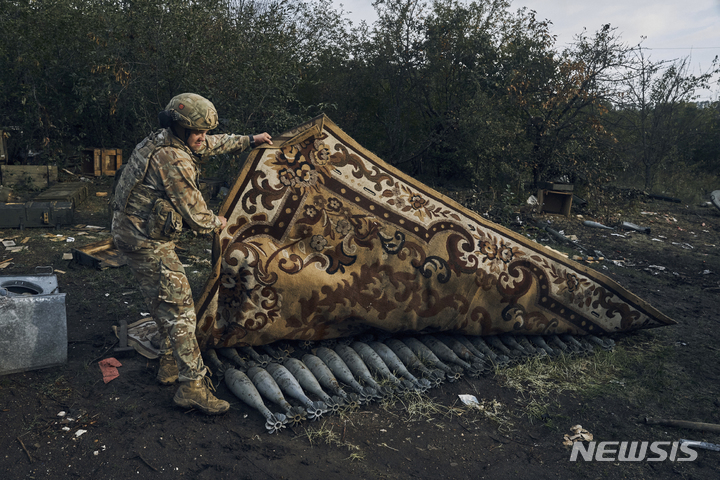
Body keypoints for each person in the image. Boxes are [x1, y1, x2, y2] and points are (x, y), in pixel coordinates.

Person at [111, 93, 272, 415]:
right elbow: (197, 218)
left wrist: (250, 140)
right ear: (179, 128)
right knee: (182, 310)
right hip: (145, 241)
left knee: (163, 300)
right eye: (197, 131)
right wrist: (218, 221)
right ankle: (193, 386)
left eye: (205, 131)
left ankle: (170, 364)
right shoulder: (173, 160)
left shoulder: (166, 139)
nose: (203, 138)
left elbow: (210, 144)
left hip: (133, 232)